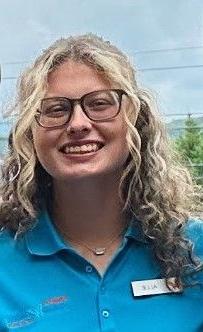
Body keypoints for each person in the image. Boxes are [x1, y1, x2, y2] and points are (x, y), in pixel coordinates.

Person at [0, 33, 203, 331]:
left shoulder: (195, 251)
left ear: (135, 122)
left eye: (99, 104)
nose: (78, 124)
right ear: (30, 134)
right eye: (56, 108)